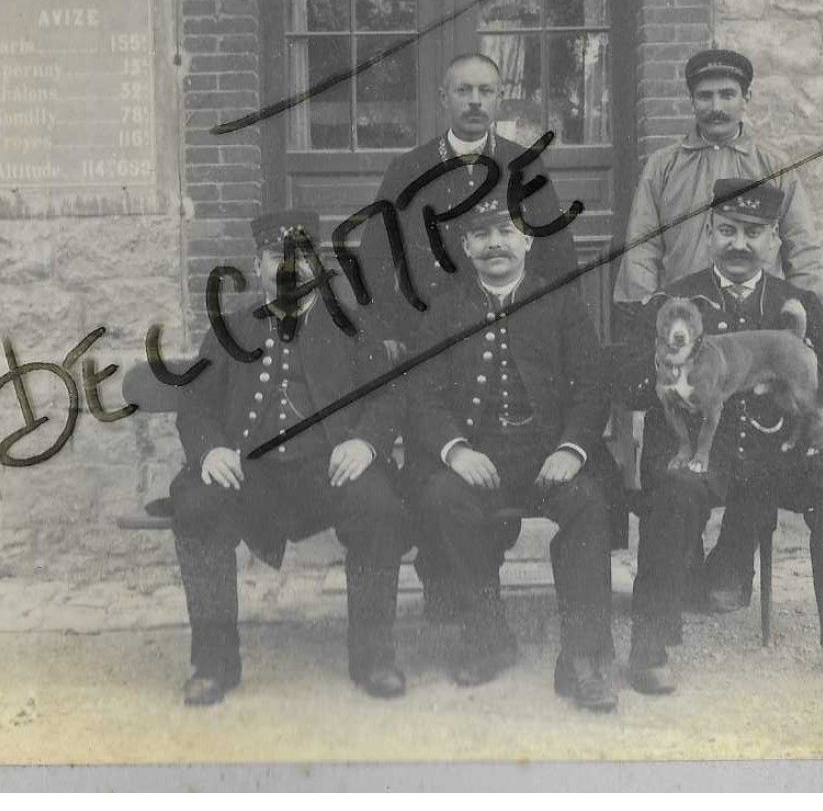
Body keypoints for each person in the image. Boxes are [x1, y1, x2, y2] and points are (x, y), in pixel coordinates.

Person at [627, 178, 823, 696]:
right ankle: (650, 645)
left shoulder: (800, 304)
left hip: (779, 456)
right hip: (711, 458)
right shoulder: (677, 303)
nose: (740, 244)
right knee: (673, 487)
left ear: (774, 239)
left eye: (754, 232)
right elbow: (637, 383)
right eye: (727, 231)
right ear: (708, 234)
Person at [360, 51, 582, 617]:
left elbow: (558, 265)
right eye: (464, 91)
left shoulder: (523, 167)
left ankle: (475, 590)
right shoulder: (407, 172)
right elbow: (374, 265)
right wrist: (388, 334)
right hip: (433, 355)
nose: (476, 102)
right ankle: (447, 587)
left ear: (500, 95)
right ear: (444, 98)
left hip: (510, 341)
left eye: (486, 91)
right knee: (438, 480)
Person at [169, 208, 408, 706]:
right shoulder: (229, 329)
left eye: (302, 259)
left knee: (379, 503)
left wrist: (364, 442)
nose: (290, 269)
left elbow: (387, 396)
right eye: (278, 257)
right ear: (257, 265)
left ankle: (374, 657)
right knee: (193, 499)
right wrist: (211, 449)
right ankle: (214, 663)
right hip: (250, 477)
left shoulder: (350, 326)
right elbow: (194, 403)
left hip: (328, 473)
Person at [398, 195, 618, 711]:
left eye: (506, 231)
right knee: (441, 497)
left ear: (528, 240)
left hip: (548, 454)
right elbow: (422, 393)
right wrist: (454, 450)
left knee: (588, 502)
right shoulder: (446, 309)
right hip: (477, 455)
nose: (495, 242)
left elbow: (591, 384)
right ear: (468, 246)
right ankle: (488, 633)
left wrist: (570, 449)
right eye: (482, 233)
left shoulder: (560, 301)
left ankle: (584, 658)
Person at [611, 48, 823, 309]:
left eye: (727, 95)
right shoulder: (662, 167)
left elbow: (802, 251)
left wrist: (809, 318)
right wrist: (646, 317)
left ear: (746, 98)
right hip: (687, 317)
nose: (716, 108)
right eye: (704, 96)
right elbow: (641, 252)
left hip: (760, 321)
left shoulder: (774, 167)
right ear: (691, 101)